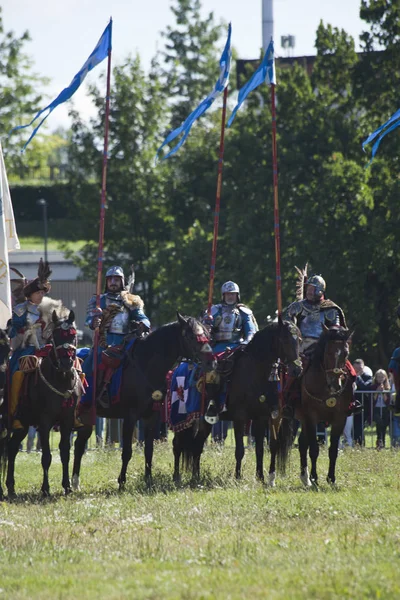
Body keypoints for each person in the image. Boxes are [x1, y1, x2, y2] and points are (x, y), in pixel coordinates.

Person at [283, 270, 349, 418]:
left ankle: (349, 402)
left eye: (313, 289)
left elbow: (336, 330)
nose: (309, 291)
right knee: (294, 371)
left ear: (320, 291)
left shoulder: (331, 309)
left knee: (349, 370)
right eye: (309, 288)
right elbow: (287, 321)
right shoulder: (297, 306)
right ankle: (287, 399)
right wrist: (291, 325)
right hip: (302, 346)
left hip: (324, 347)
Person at [82, 265, 150, 407]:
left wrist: (142, 324)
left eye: (117, 279)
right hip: (104, 342)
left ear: (122, 281)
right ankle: (86, 400)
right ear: (106, 282)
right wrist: (94, 321)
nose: (113, 282)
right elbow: (88, 319)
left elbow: (143, 317)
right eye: (110, 279)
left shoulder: (131, 301)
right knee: (89, 365)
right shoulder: (98, 301)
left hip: (125, 343)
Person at [202, 281, 258, 422]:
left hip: (237, 348)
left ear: (237, 295)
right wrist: (207, 324)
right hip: (217, 348)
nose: (230, 297)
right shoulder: (213, 310)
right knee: (211, 371)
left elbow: (251, 331)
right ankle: (212, 403)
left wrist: (246, 342)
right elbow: (202, 331)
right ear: (223, 295)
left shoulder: (244, 312)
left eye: (233, 294)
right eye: (228, 294)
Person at [8, 259, 52, 428]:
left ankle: (70, 410)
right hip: (26, 351)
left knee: (72, 367)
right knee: (17, 373)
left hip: (47, 350)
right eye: (38, 292)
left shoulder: (51, 308)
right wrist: (25, 329)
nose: (42, 295)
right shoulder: (20, 310)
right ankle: (15, 413)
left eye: (43, 293)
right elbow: (12, 332)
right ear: (31, 294)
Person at [352, 358, 373, 445]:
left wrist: (357, 377)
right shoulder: (349, 377)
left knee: (359, 426)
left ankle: (360, 444)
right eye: (355, 369)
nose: (357, 371)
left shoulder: (369, 378)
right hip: (350, 405)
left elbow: (365, 387)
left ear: (363, 368)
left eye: (359, 369)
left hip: (362, 405)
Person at [371, 369, 391, 449]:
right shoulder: (372, 387)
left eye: (382, 377)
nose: (380, 379)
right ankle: (379, 442)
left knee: (384, 426)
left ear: (385, 377)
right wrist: (376, 391)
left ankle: (382, 443)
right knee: (379, 424)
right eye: (378, 377)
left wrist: (383, 392)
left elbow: (387, 401)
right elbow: (373, 400)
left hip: (385, 409)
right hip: (376, 409)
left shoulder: (388, 387)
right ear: (375, 378)